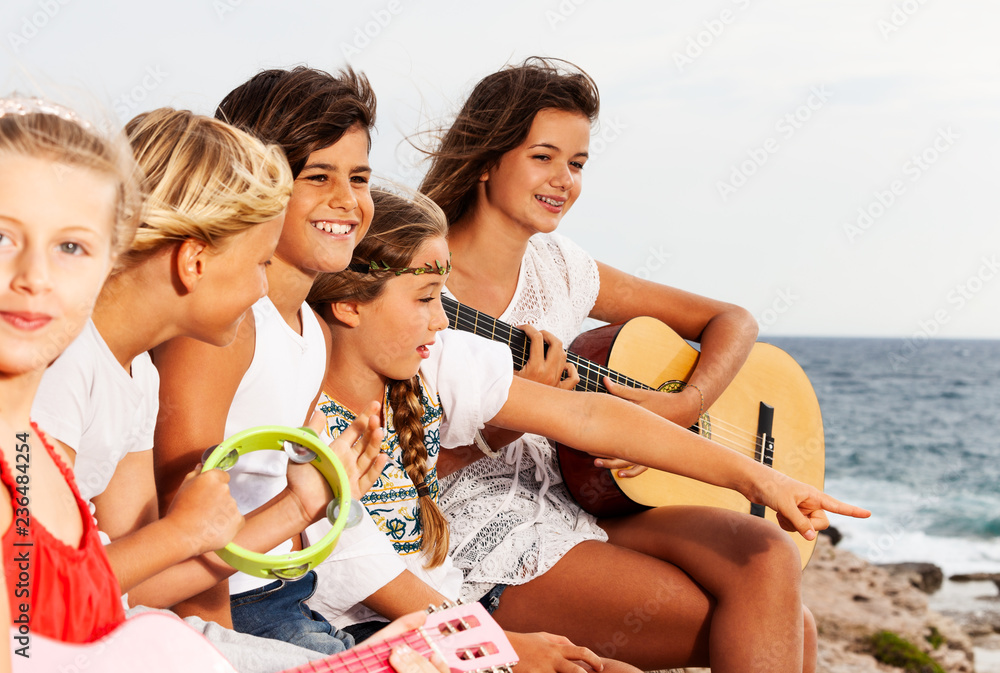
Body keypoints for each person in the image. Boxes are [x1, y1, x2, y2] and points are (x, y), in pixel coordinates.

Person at [307, 187, 869, 673]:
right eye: (428, 299)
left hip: (446, 599)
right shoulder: (309, 421)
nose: (442, 317)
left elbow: (592, 416)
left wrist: (758, 480)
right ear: (352, 306)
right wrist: (496, 642)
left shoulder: (437, 361)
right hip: (385, 626)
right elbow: (361, 572)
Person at [419, 57, 823, 672]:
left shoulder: (562, 269)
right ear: (486, 160)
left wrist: (683, 406)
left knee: (767, 552)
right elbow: (399, 458)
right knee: (783, 629)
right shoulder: (421, 281)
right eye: (543, 157)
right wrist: (518, 413)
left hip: (575, 496)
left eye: (577, 163)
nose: (564, 180)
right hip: (473, 521)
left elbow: (733, 321)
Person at [0, 96, 142, 648]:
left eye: (71, 246)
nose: (34, 276)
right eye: (1, 237)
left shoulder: (41, 451)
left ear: (112, 262)